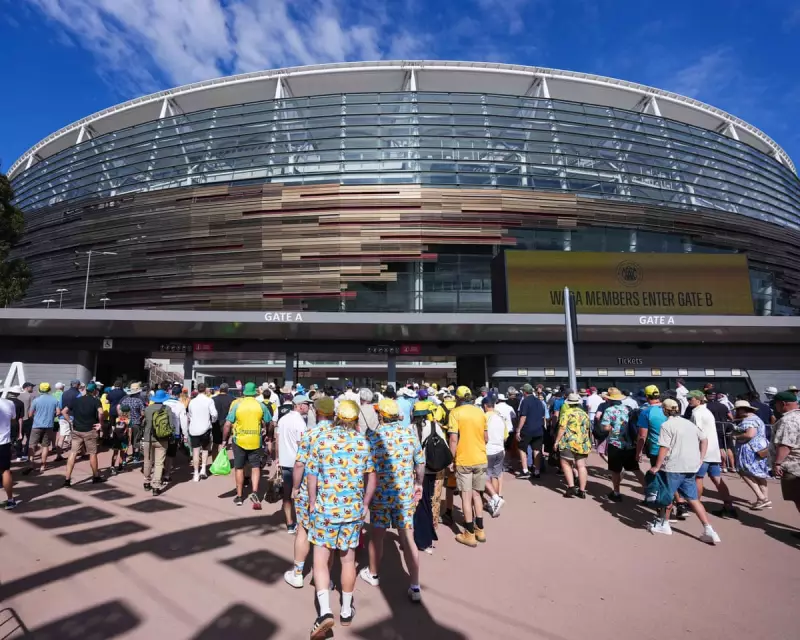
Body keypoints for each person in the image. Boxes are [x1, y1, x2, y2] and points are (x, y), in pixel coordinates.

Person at [306, 399, 377, 638]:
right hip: (352, 511)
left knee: (320, 561)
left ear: (337, 417)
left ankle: (325, 612)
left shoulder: (322, 440)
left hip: (325, 509)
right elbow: (372, 478)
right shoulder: (363, 443)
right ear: (356, 419)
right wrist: (365, 504)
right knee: (348, 561)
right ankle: (346, 611)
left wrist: (313, 501)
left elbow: (312, 474)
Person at [360, 398, 425, 602]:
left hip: (380, 495)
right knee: (407, 538)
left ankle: (373, 574)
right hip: (403, 495)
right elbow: (420, 463)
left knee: (377, 535)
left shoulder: (372, 437)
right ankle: (415, 585)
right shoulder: (409, 434)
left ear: (381, 415)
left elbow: (365, 468)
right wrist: (419, 484)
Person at [647, 399, 721, 544]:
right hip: (690, 466)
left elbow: (664, 447)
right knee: (693, 499)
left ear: (665, 410)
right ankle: (709, 529)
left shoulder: (666, 425)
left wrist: (657, 466)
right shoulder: (689, 423)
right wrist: (701, 458)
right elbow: (704, 439)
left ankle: (664, 524)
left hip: (674, 465)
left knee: (666, 495)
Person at [284, 396, 335, 589]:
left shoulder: (310, 434)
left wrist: (295, 487)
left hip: (307, 490)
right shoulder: (342, 435)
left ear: (317, 412)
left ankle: (298, 574)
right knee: (328, 537)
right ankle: (324, 577)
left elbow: (299, 464)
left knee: (303, 530)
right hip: (333, 492)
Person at [448, 386, 489, 547]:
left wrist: (451, 460)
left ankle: (469, 533)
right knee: (477, 495)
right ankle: (480, 529)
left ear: (458, 398)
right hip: (480, 457)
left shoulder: (455, 413)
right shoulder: (480, 412)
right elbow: (486, 437)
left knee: (466, 497)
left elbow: (453, 439)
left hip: (464, 459)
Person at [688, 390, 736, 517]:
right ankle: (728, 505)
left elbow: (698, 434)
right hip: (713, 450)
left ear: (698, 400)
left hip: (703, 452)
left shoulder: (697, 413)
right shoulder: (706, 411)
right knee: (716, 478)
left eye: (690, 398)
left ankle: (695, 504)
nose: (688, 401)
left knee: (698, 478)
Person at [223, 381, 271, 508]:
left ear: (244, 393)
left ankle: (239, 496)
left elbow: (227, 425)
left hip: (239, 441)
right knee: (255, 467)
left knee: (239, 468)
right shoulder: (261, 406)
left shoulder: (237, 405)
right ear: (255, 393)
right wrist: (268, 434)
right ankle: (254, 492)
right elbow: (269, 422)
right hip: (255, 440)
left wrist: (224, 440)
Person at [412, 400, 446, 554]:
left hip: (414, 472)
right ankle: (425, 538)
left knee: (418, 504)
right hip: (431, 470)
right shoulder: (434, 426)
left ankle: (420, 538)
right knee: (426, 502)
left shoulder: (410, 428)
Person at [601, 387, 645, 502]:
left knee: (615, 470)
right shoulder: (628, 408)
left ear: (609, 399)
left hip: (615, 443)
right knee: (635, 469)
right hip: (629, 443)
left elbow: (605, 427)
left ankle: (616, 493)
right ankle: (649, 492)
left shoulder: (609, 410)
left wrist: (612, 428)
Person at [276, 394, 310, 533]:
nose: (309, 407)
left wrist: (278, 457)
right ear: (300, 406)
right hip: (298, 463)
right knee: (300, 494)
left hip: (285, 462)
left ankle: (290, 523)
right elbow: (302, 444)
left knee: (287, 494)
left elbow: (277, 439)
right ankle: (302, 524)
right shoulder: (300, 422)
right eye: (307, 404)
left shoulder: (283, 419)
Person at [61, 382, 105, 486]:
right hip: (90, 430)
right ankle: (95, 476)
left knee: (73, 453)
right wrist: (100, 424)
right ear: (95, 391)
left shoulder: (76, 400)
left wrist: (70, 421)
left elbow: (64, 411)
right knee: (92, 453)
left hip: (77, 430)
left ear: (85, 390)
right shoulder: (95, 401)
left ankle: (67, 479)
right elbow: (101, 412)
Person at [732, 399, 771, 509]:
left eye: (737, 410)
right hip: (761, 448)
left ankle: (762, 498)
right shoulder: (756, 418)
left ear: (742, 409)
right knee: (759, 474)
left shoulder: (748, 420)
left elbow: (750, 434)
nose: (736, 412)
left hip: (750, 450)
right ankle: (764, 498)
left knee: (744, 472)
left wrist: (735, 436)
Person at [554, 392, 592, 498]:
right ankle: (582, 490)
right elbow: (588, 429)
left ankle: (571, 487)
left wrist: (556, 441)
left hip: (568, 442)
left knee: (566, 463)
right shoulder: (584, 414)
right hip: (583, 442)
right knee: (581, 466)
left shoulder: (567, 413)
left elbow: (562, 428)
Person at [141, 389, 178, 496]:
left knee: (147, 461)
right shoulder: (167, 409)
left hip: (148, 438)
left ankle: (146, 482)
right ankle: (156, 486)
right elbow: (171, 425)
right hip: (162, 439)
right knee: (159, 463)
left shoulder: (148, 409)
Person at [770, 391, 800, 513]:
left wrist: (777, 463)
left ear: (782, 403)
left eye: (775, 404)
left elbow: (786, 444)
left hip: (793, 466)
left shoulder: (788, 420)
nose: (775, 407)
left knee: (798, 498)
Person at [24, 382, 60, 475]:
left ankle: (31, 464)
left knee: (32, 445)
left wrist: (36, 417)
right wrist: (51, 415)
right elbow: (58, 412)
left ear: (40, 390)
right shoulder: (54, 400)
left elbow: (30, 414)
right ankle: (43, 465)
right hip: (48, 425)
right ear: (49, 390)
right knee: (45, 446)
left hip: (36, 425)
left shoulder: (36, 400)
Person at [187, 382, 218, 481]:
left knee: (195, 452)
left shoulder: (192, 401)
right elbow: (214, 414)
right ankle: (203, 469)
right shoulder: (209, 400)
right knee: (205, 449)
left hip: (194, 429)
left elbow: (189, 414)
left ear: (197, 389)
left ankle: (196, 473)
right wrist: (212, 421)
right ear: (205, 390)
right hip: (205, 428)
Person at [482, 394, 507, 515]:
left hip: (488, 450)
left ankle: (494, 499)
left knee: (484, 477)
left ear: (485, 406)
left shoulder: (484, 417)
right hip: (500, 449)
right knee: (495, 476)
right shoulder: (500, 417)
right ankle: (495, 500)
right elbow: (506, 436)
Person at [515, 383, 546, 479]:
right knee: (536, 449)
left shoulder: (525, 401)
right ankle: (537, 471)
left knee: (522, 448)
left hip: (527, 429)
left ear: (524, 392)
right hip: (538, 429)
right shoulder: (539, 401)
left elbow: (523, 416)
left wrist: (518, 430)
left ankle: (525, 471)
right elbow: (543, 415)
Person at [705, 389, 735, 472]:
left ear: (706, 396)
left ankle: (724, 466)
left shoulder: (706, 406)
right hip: (726, 427)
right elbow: (731, 417)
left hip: (715, 429)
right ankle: (732, 467)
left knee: (720, 448)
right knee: (728, 447)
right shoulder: (723, 405)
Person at [163, 384, 188, 481]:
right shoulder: (180, 405)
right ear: (179, 394)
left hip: (162, 431)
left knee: (162, 452)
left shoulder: (164, 402)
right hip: (174, 433)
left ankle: (160, 470)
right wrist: (185, 434)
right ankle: (167, 474)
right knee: (170, 454)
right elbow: (184, 422)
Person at [119, 382, 146, 463]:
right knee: (136, 440)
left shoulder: (124, 400)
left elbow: (120, 411)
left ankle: (124, 458)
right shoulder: (139, 401)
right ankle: (135, 457)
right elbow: (142, 413)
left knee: (126, 441)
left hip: (126, 423)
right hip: (136, 423)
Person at [1, 394, 18, 509]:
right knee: (5, 471)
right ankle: (10, 500)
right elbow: (13, 420)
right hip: (3, 442)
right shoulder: (9, 403)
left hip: (4, 442)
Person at [211, 382, 235, 460]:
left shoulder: (213, 399)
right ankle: (222, 461)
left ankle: (215, 461)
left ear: (220, 389)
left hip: (216, 423)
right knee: (224, 444)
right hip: (227, 423)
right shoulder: (232, 399)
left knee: (215, 444)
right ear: (227, 390)